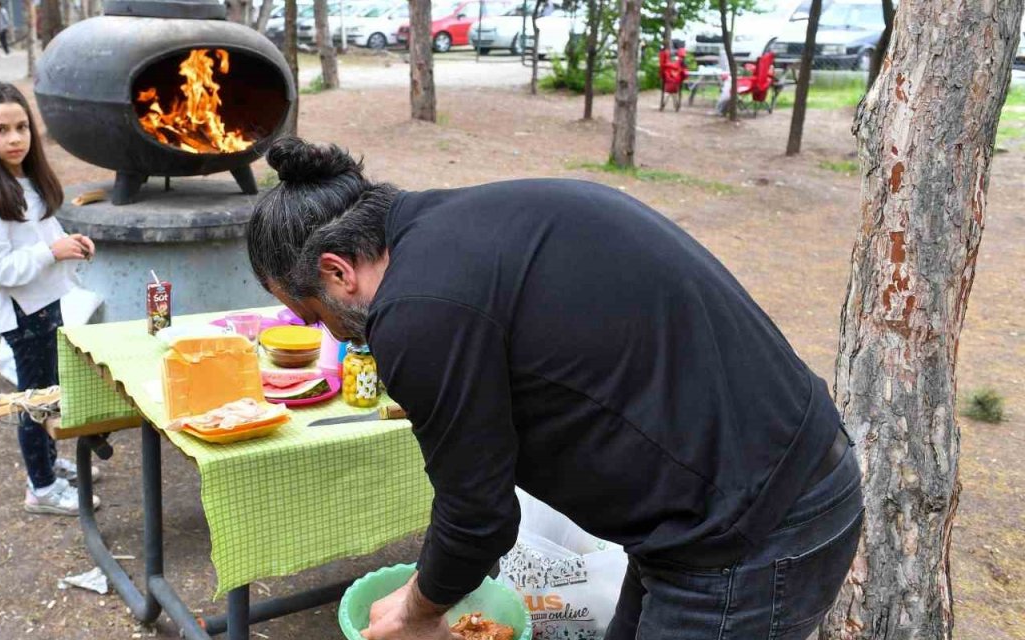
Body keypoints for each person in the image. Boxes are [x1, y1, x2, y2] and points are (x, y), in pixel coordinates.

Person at [245, 138, 862, 640]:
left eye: (306, 311)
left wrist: (414, 613)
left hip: (749, 532)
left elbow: (477, 517)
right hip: (744, 487)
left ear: (336, 271)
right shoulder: (458, 226)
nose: (317, 329)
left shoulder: (418, 309)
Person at [0, 82, 100, 516]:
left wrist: (66, 242)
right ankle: (41, 488)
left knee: (49, 391)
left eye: (21, 127)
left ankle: (50, 464)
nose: (14, 138)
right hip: (22, 315)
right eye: (0, 130)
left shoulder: (26, 181)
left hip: (45, 303)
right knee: (33, 402)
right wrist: (48, 253)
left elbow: (43, 236)